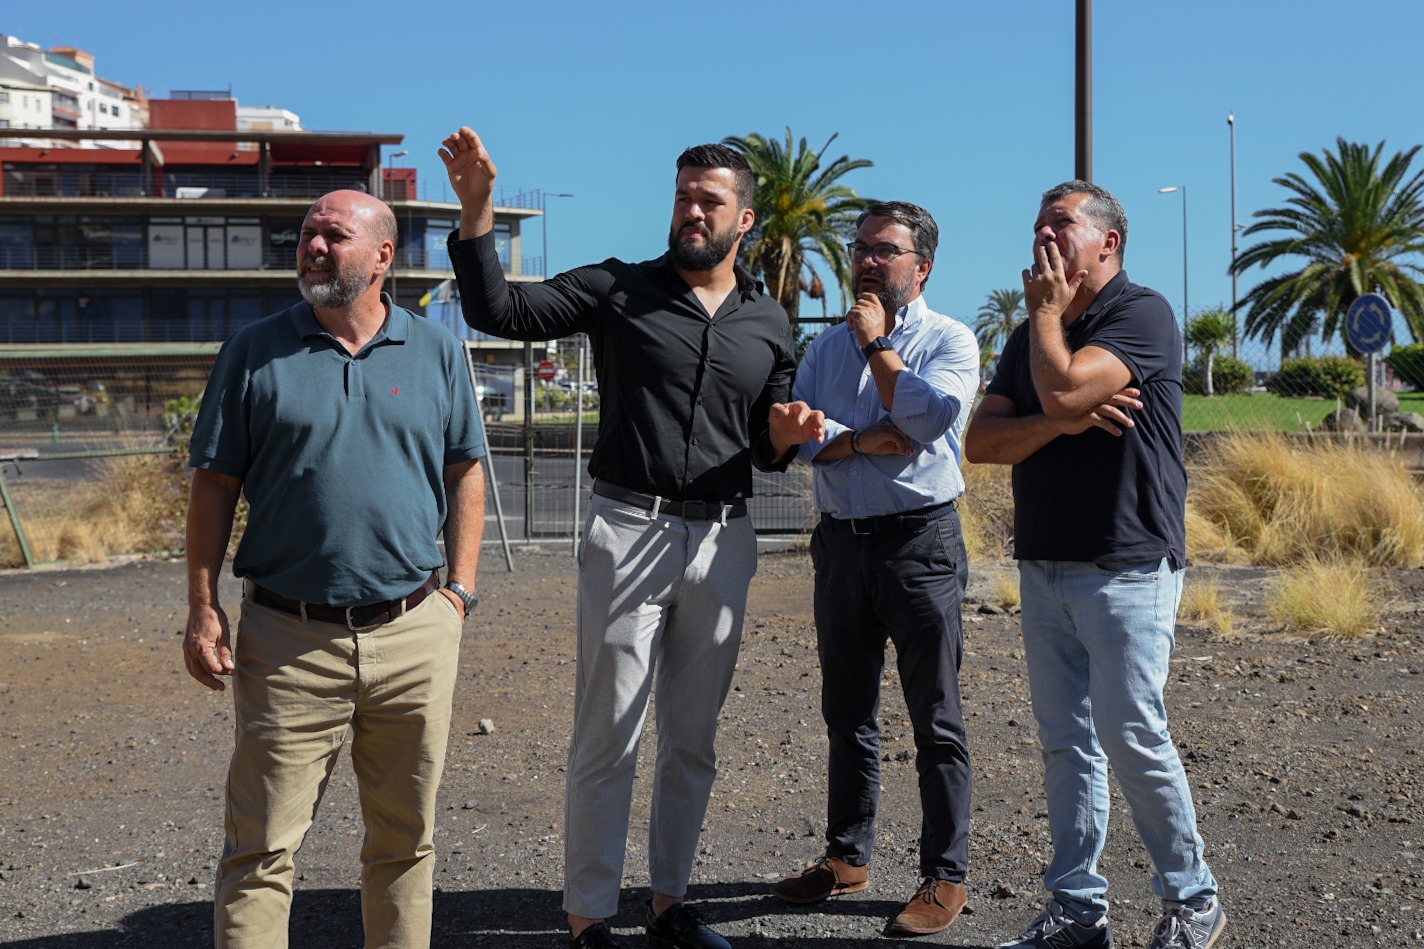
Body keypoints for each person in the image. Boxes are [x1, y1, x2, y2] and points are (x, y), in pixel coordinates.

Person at [438, 128, 825, 949]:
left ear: (744, 219)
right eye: (683, 197)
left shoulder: (769, 320)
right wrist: (477, 215)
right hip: (627, 526)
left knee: (693, 738)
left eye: (709, 200)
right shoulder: (617, 287)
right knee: (609, 727)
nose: (692, 211)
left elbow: (765, 445)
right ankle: (589, 916)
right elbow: (501, 311)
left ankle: (670, 904)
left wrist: (786, 434)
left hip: (724, 541)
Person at [183, 189, 487, 948]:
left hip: (415, 633)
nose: (314, 247)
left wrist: (459, 592)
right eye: (307, 235)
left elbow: (465, 471)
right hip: (288, 639)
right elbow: (214, 483)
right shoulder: (254, 351)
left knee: (406, 843)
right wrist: (203, 606)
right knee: (260, 848)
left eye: (334, 236)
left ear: (382, 256)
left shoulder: (437, 351)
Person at [963, 181, 1225, 949]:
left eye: (1061, 223)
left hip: (1127, 563)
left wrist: (1055, 374)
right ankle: (1078, 910)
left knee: (1132, 734)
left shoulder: (1141, 314)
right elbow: (982, 441)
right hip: (1044, 564)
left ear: (1109, 241)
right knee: (1065, 744)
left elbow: (1067, 384)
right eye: (1038, 223)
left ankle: (1193, 898)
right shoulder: (1029, 333)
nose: (1043, 235)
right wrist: (1062, 420)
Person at [767, 201, 979, 936]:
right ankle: (846, 858)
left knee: (935, 718)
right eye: (860, 247)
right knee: (848, 711)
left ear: (922, 267)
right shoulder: (824, 349)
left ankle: (945, 874)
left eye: (884, 250)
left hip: (920, 544)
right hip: (841, 544)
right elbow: (799, 437)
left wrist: (879, 345)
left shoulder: (949, 339)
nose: (865, 260)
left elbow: (924, 421)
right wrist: (862, 440)